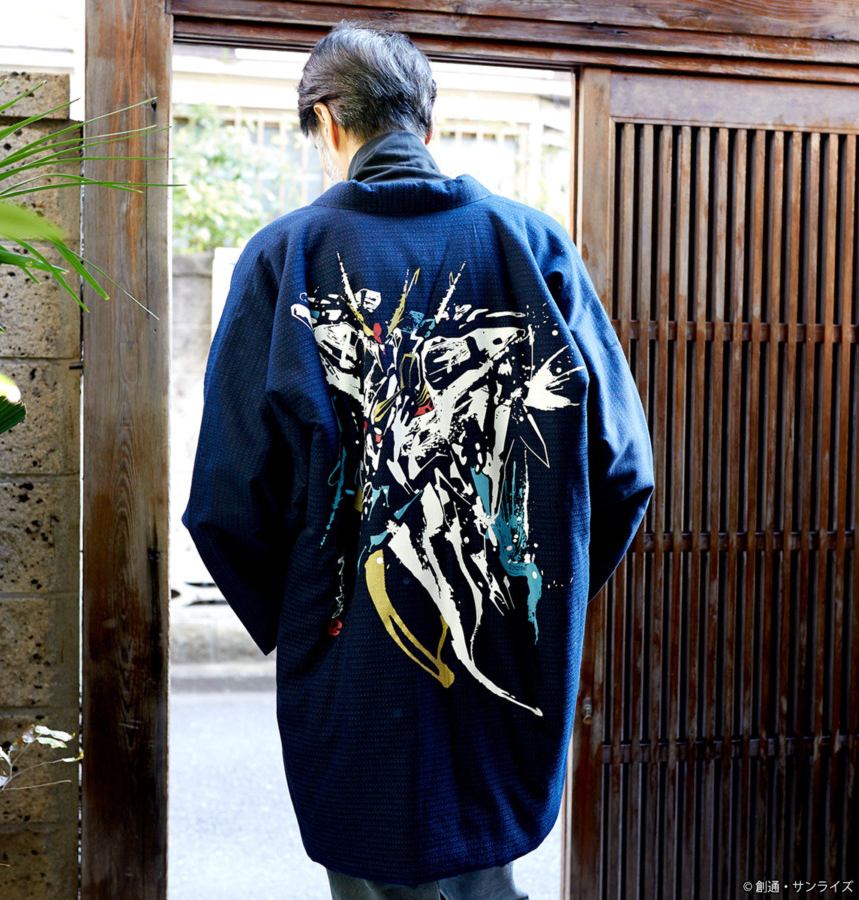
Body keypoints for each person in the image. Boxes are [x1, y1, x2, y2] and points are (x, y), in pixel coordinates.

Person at [183, 21, 654, 900]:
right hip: (504, 651)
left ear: (327, 123)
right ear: (426, 125)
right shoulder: (534, 248)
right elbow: (623, 468)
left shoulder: (285, 258)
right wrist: (544, 596)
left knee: (372, 876)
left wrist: (306, 611)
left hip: (349, 665)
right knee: (488, 874)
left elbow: (225, 502)